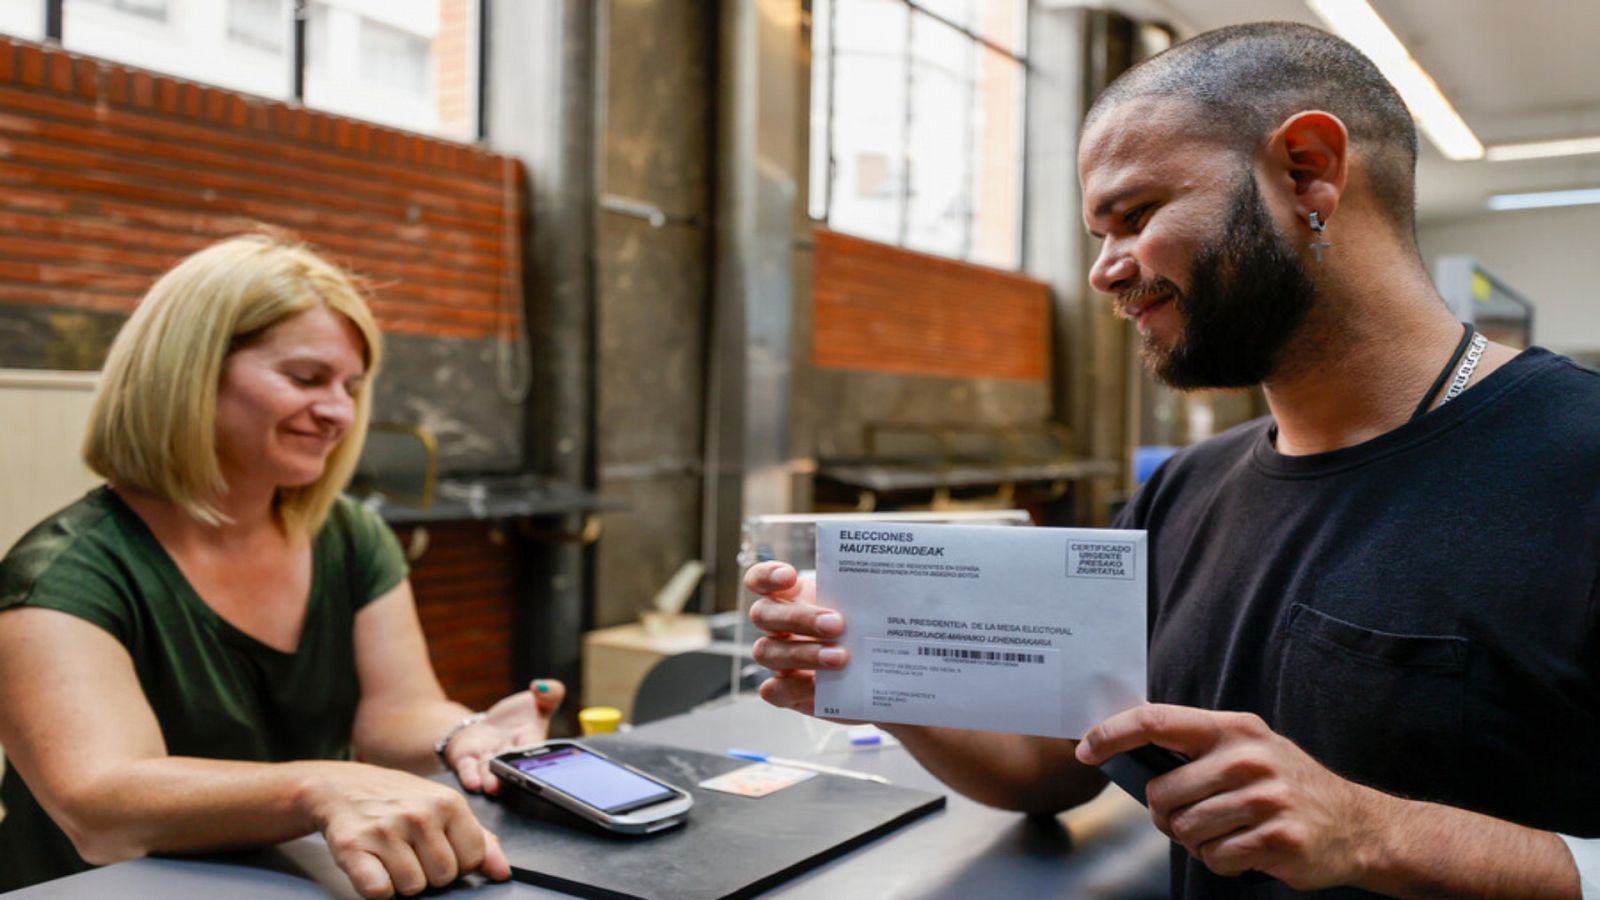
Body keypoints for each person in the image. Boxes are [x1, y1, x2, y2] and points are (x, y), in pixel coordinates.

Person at [746, 21, 1600, 899]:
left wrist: (1376, 833)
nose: (1103, 273)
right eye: (1095, 233)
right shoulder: (1185, 493)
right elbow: (1057, 767)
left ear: (1308, 170)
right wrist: (876, 672)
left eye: (1135, 215)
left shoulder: (1581, 467)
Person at [0, 234, 564, 898]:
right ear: (190, 373)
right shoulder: (62, 575)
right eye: (306, 379)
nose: (339, 413)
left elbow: (393, 710)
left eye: (350, 387)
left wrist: (464, 733)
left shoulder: (348, 535)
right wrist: (318, 786)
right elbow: (101, 805)